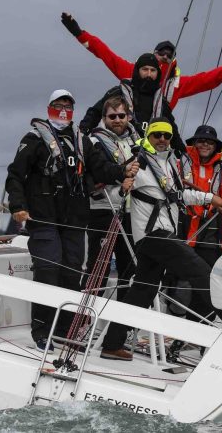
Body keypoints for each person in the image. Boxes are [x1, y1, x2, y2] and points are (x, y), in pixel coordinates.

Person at [5, 90, 137, 348]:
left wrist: (122, 171)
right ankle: (41, 331)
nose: (64, 109)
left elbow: (101, 168)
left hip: (74, 219)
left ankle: (65, 329)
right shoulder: (33, 139)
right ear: (49, 108)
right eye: (59, 105)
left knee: (71, 274)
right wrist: (18, 205)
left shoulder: (82, 141)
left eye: (68, 105)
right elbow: (15, 175)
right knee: (48, 270)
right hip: (43, 218)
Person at [100, 119, 222, 361]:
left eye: (166, 136)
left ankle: (112, 344)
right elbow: (116, 190)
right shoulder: (138, 163)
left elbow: (179, 195)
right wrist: (122, 185)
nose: (162, 140)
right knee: (198, 269)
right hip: (151, 234)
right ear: (148, 136)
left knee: (143, 292)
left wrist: (210, 197)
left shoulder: (171, 164)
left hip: (163, 231)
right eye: (156, 135)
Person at [60, 12, 222, 108]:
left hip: (158, 136)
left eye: (169, 54)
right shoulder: (131, 71)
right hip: (129, 131)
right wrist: (79, 33)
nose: (165, 56)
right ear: (154, 54)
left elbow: (209, 79)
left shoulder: (177, 85)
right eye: (161, 52)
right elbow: (104, 52)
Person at [84, 96, 141, 302]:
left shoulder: (138, 140)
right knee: (99, 268)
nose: (117, 120)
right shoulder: (93, 141)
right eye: (112, 116)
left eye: (121, 115)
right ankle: (84, 319)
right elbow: (99, 171)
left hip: (132, 211)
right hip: (103, 209)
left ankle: (122, 325)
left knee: (130, 268)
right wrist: (123, 173)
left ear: (128, 117)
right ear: (104, 118)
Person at [80, 53, 181, 150]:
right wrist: (81, 134)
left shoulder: (161, 101)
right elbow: (95, 112)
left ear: (157, 73)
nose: (149, 74)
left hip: (150, 153)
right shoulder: (119, 92)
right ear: (137, 70)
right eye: (145, 69)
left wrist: (182, 151)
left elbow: (172, 129)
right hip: (120, 148)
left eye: (153, 70)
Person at [180, 125, 222, 268]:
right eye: (201, 141)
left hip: (209, 232)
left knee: (207, 277)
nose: (205, 144)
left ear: (215, 147)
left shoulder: (220, 170)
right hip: (182, 227)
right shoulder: (179, 162)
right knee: (179, 280)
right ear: (194, 143)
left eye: (210, 142)